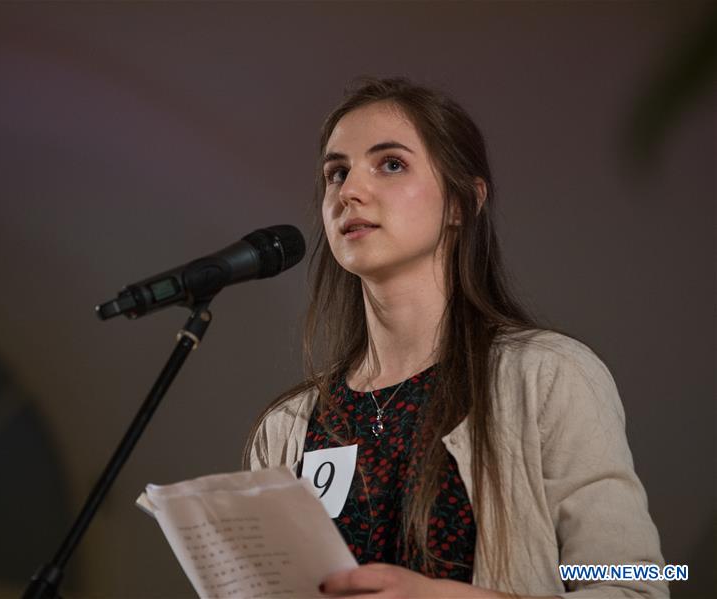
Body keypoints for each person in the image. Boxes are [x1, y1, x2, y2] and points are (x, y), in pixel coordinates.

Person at [243, 77, 667, 598]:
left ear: (462, 203)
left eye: (391, 164)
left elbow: (639, 579)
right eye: (336, 173)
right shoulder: (286, 429)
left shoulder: (549, 376)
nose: (349, 190)